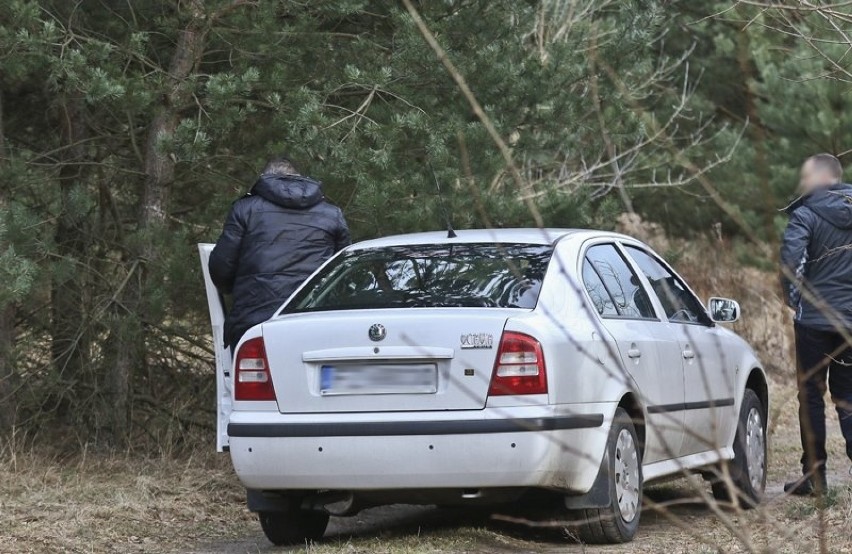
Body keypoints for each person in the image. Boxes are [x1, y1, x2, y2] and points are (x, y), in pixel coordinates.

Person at [209, 156, 350, 352]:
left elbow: (221, 269)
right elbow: (344, 273)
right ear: (297, 178)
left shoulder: (245, 209)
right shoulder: (331, 214)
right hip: (316, 321)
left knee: (255, 383)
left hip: (255, 324)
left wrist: (238, 290)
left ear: (264, 178)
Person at [780, 153, 852, 495]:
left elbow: (791, 262)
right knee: (849, 395)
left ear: (823, 178)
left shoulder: (805, 214)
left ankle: (815, 476)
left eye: (806, 176)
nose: (803, 183)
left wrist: (794, 302)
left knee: (811, 395)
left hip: (814, 323)